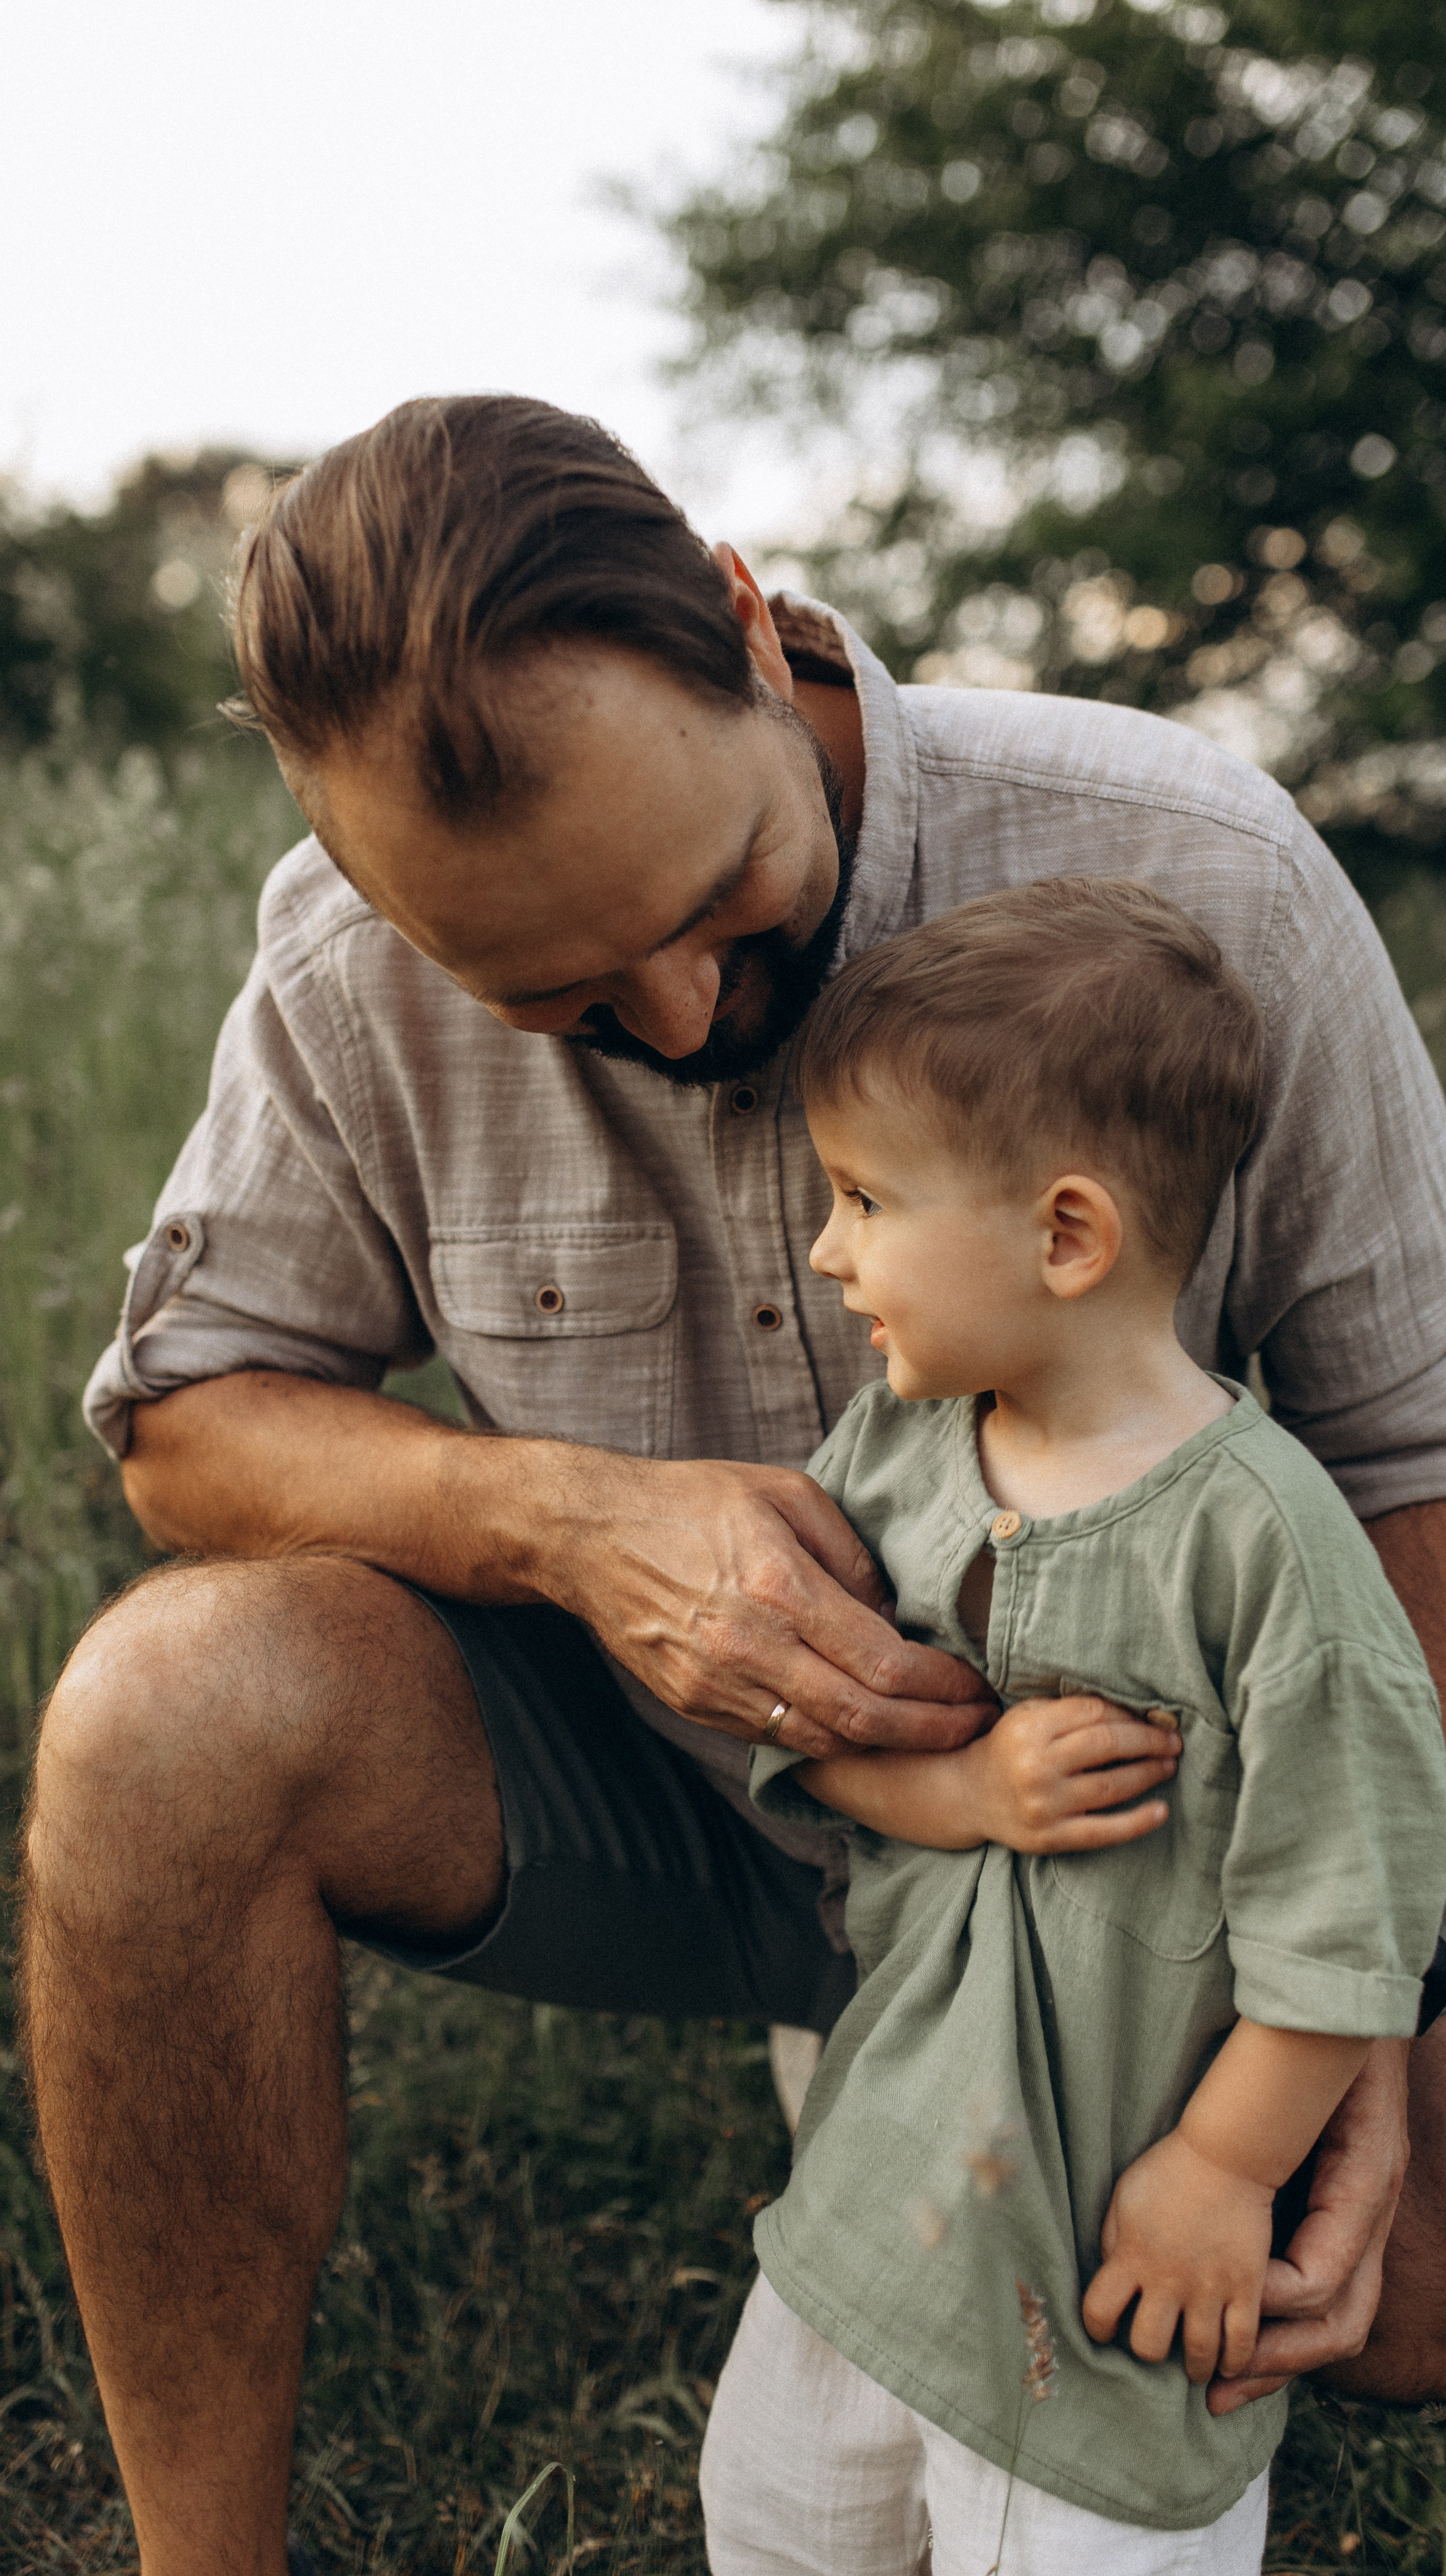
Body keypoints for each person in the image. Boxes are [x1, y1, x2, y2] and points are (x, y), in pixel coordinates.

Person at [19, 393, 1446, 2576]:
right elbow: (192, 1412)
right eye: (555, 997)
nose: (685, 1016)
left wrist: (1349, 2022)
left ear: (739, 621)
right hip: (685, 1796)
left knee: (1397, 2306)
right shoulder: (340, 961)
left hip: (1155, 1848)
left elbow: (1414, 1478)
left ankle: (972, 2082)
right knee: (160, 1718)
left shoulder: (1206, 870)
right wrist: (568, 1524)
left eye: (719, 906)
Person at [698, 881, 1446, 2575]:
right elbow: (792, 1723)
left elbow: (1348, 1913)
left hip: (1118, 2199)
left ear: (1063, 1237)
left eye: (863, 1200)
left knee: (1071, 2540)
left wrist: (1215, 2167)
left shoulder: (1264, 1550)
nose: (826, 1250)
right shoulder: (892, 1457)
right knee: (781, 2515)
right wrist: (952, 1787)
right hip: (895, 2150)